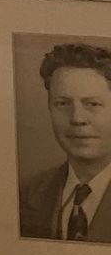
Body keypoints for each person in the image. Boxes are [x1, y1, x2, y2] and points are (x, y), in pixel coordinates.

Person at [19, 42, 111, 241]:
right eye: (62, 104)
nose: (77, 118)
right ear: (50, 108)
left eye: (92, 104)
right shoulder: (25, 194)